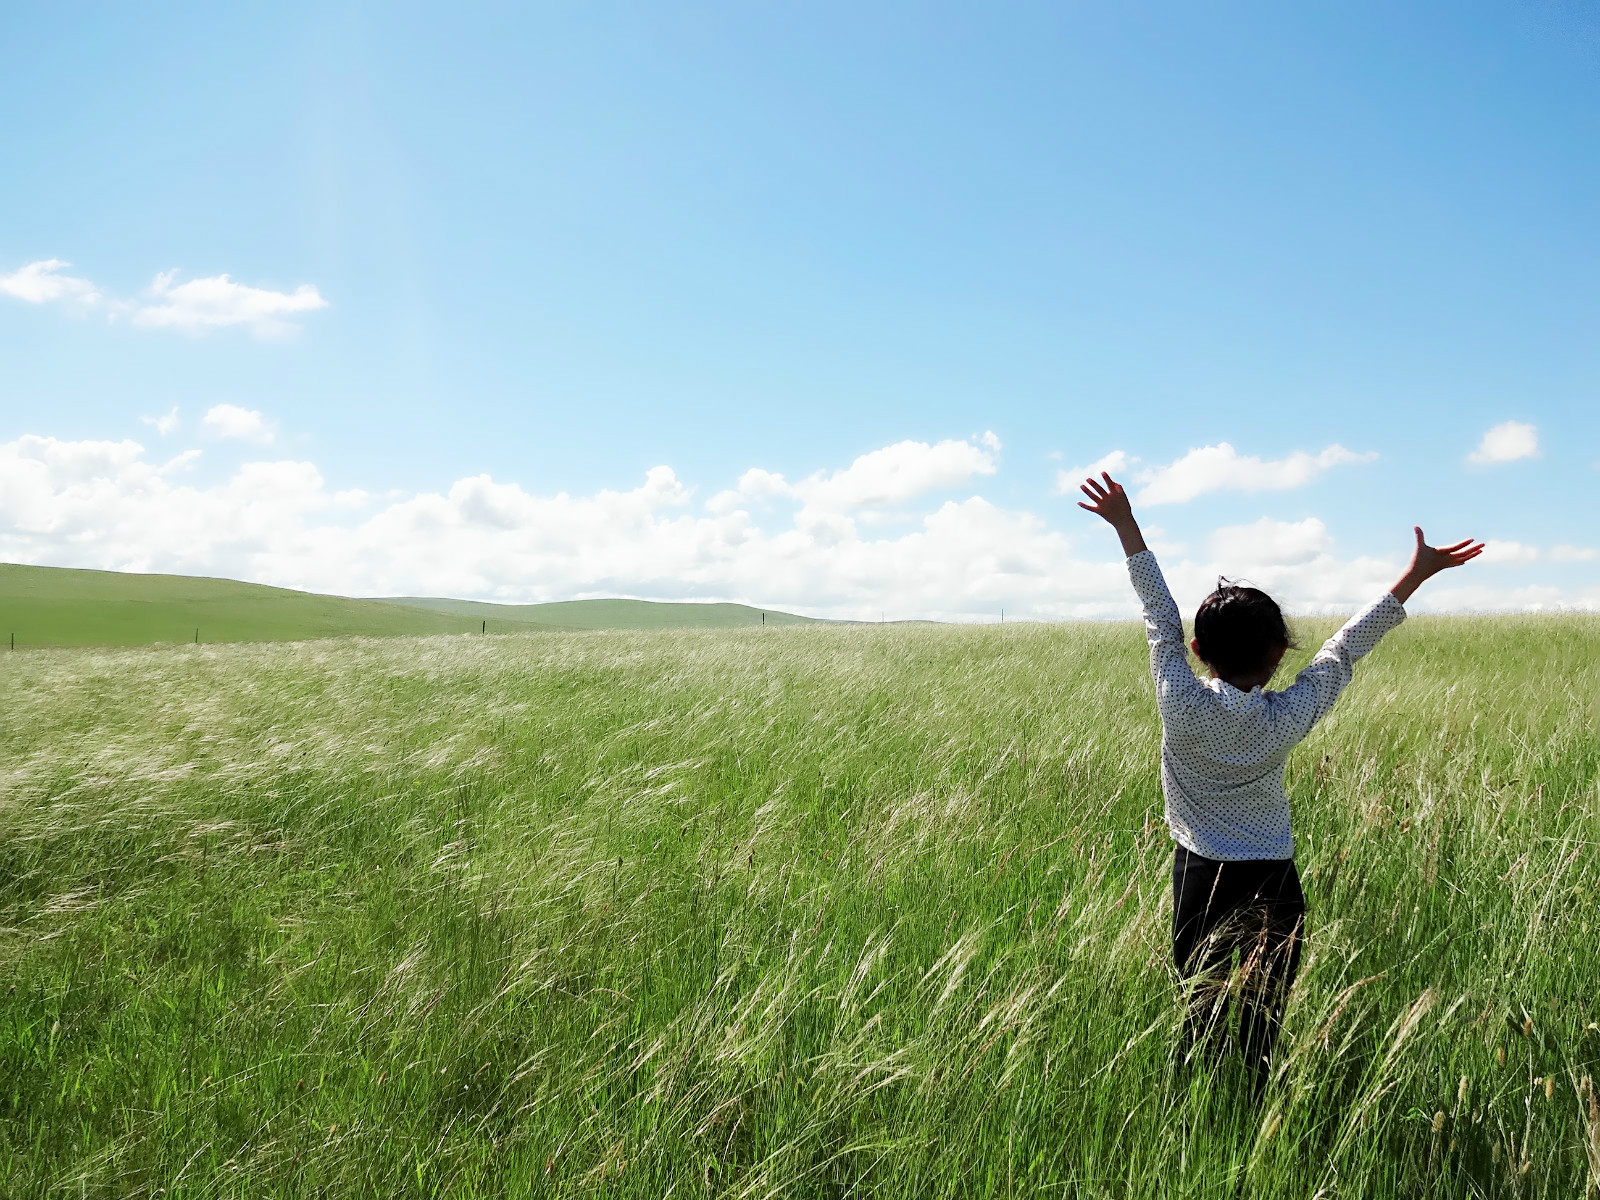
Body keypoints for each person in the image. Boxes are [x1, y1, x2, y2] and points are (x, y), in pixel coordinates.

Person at [1077, 472, 1482, 1092]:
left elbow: (1157, 615)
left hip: (1201, 876)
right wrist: (1414, 576)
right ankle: (1258, 1101)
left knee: (1201, 1011)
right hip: (1275, 879)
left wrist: (1126, 526)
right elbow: (1342, 651)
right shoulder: (1288, 717)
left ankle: (1200, 1113)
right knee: (1265, 1019)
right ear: (1276, 657)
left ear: (1196, 649)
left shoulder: (1179, 703)